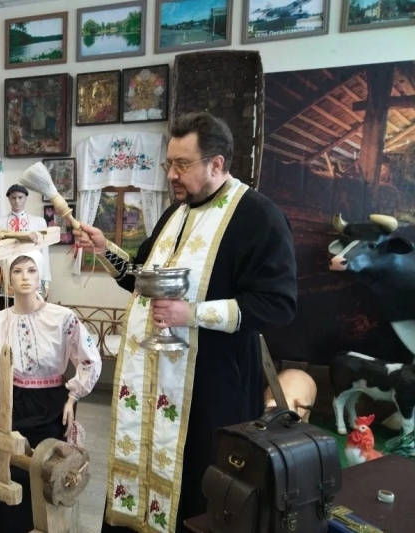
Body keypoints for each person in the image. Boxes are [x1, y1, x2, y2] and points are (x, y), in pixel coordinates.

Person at [73, 112, 297, 533]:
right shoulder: (176, 213)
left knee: (198, 490)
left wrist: (191, 314)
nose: (172, 174)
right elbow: (143, 279)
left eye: (182, 164)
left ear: (217, 163)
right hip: (152, 382)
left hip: (212, 386)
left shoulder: (258, 216)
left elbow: (278, 304)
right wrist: (104, 249)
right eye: (169, 164)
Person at [0, 250, 103, 533]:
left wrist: (73, 396)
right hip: (12, 399)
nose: (25, 277)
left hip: (51, 403)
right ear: (8, 280)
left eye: (31, 270)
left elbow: (89, 358)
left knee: (38, 462)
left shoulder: (62, 318)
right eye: (17, 271)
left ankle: (34, 523)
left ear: (41, 276)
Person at [0, 184, 52, 305]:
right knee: (8, 314)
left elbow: (44, 253)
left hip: (30, 277)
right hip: (6, 279)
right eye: (13, 198)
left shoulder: (39, 223)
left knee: (31, 313)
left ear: (25, 198)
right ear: (9, 198)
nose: (17, 201)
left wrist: (46, 281)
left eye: (20, 197)